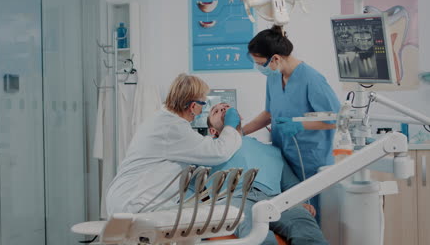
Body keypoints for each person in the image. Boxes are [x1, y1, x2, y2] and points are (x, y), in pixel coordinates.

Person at [106, 73, 242, 215]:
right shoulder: (173, 128)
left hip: (129, 196)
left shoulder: (164, 121)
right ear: (193, 106)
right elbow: (219, 152)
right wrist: (230, 126)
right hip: (136, 202)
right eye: (204, 104)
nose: (203, 110)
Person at [242, 25, 341, 216]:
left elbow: (336, 118)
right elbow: (269, 113)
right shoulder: (273, 77)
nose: (259, 68)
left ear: (276, 59)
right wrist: (240, 132)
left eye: (260, 63)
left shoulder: (312, 79)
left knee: (313, 216)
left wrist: (300, 125)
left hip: (311, 162)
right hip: (284, 161)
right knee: (290, 214)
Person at [207, 103, 328, 245]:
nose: (222, 109)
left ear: (239, 117)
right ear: (212, 131)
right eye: (215, 111)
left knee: (305, 225)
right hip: (235, 197)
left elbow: (291, 184)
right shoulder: (209, 149)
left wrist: (301, 203)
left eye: (226, 107)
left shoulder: (272, 151)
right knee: (258, 234)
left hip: (275, 199)